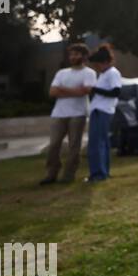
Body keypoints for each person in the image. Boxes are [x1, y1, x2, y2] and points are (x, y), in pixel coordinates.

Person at [39, 43, 96, 185]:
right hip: (58, 113)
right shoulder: (61, 73)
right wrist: (74, 91)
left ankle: (68, 175)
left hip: (78, 113)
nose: (73, 57)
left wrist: (63, 90)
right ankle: (51, 173)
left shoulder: (89, 73)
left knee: (74, 146)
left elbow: (86, 91)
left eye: (76, 54)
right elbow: (52, 92)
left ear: (83, 56)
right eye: (71, 54)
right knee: (53, 145)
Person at [85, 45, 122, 182]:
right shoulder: (104, 74)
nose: (97, 67)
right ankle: (103, 171)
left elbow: (116, 92)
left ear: (105, 62)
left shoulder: (112, 73)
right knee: (103, 142)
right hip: (99, 109)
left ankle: (98, 173)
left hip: (103, 110)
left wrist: (95, 90)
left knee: (96, 142)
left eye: (98, 64)